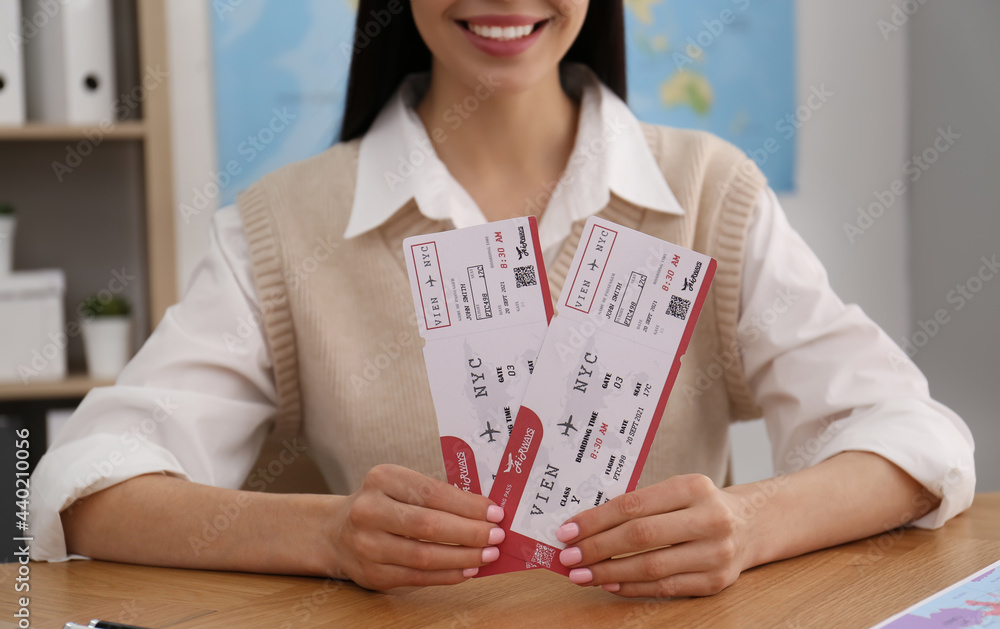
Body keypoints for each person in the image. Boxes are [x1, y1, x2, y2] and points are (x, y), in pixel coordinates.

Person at [30, 1, 974, 598]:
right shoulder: (284, 227)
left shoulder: (707, 194)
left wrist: (748, 524)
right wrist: (327, 533)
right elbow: (88, 489)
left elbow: (912, 437)